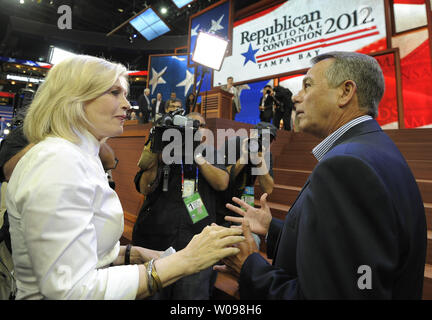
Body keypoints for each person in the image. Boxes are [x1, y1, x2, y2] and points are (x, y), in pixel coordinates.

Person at [5, 55, 244, 300]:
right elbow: (71, 290)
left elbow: (82, 251)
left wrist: (133, 254)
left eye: (125, 94)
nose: (128, 104)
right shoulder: (58, 160)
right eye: (114, 92)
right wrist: (185, 260)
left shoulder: (78, 155)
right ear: (75, 97)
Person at [218, 51, 427, 299]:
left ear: (345, 92)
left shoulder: (347, 165)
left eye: (307, 85)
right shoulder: (373, 149)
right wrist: (273, 229)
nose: (296, 97)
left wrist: (249, 267)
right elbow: (343, 253)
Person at [132, 111, 230, 299]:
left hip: (196, 245)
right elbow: (144, 187)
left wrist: (196, 157)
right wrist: (157, 159)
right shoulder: (162, 151)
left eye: (199, 126)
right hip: (156, 245)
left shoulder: (209, 153)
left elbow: (222, 182)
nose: (194, 130)